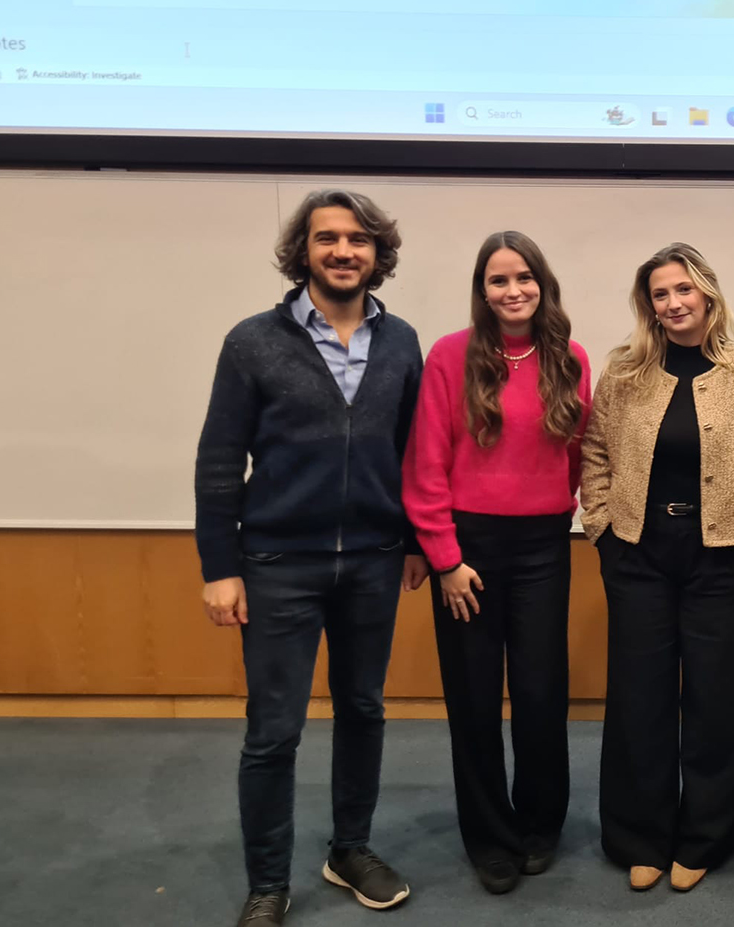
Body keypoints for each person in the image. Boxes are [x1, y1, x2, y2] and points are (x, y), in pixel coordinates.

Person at [195, 189, 427, 927]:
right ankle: (268, 882)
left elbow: (414, 453)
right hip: (276, 564)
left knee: (363, 710)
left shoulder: (402, 341)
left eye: (358, 239)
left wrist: (416, 541)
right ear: (304, 251)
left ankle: (350, 849)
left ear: (377, 253)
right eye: (328, 238)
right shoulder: (252, 341)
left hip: (373, 562)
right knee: (274, 732)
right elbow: (219, 460)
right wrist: (219, 566)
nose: (343, 251)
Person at [580, 242, 734, 893]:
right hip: (638, 553)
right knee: (638, 699)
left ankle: (705, 837)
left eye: (683, 290)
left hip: (722, 558)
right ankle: (639, 837)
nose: (673, 303)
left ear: (707, 293)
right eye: (660, 294)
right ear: (649, 305)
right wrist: (602, 529)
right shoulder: (624, 373)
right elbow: (595, 452)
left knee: (716, 702)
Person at [402, 231, 591, 895]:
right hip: (468, 550)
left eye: (524, 277)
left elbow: (576, 453)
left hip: (543, 546)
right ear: (482, 291)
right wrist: (444, 557)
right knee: (475, 698)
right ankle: (489, 836)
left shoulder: (569, 357)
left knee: (541, 694)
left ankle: (540, 824)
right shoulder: (450, 356)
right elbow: (425, 461)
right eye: (498, 280)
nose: (513, 290)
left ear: (543, 283)